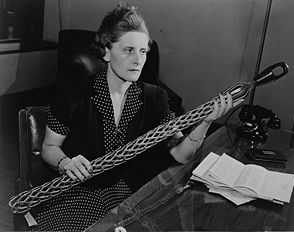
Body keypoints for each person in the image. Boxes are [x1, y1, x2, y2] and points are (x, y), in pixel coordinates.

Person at [34, 2, 241, 231]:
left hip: (125, 193)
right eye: (128, 50)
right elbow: (49, 147)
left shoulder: (154, 97)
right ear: (106, 52)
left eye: (143, 51)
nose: (138, 60)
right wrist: (65, 162)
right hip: (76, 191)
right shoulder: (75, 92)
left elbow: (180, 153)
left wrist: (205, 122)